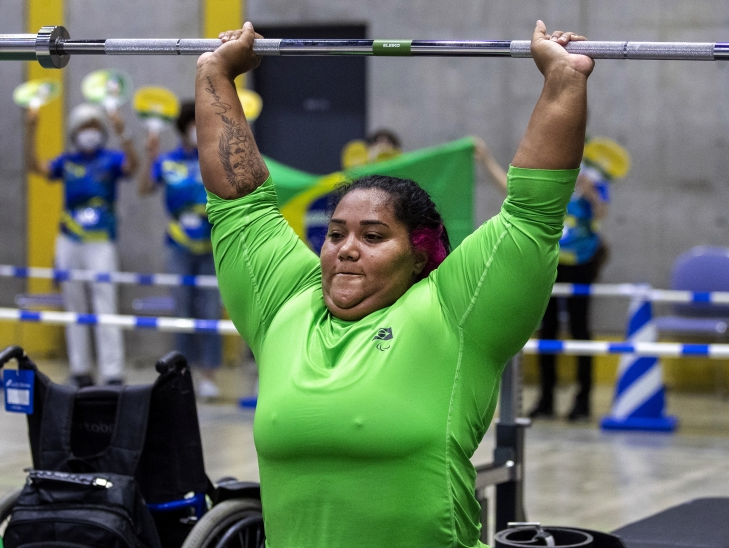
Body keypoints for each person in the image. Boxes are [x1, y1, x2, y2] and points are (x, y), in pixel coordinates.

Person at [197, 20, 593, 548]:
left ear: (419, 255)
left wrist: (562, 79)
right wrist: (215, 72)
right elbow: (238, 199)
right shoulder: (283, 304)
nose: (346, 247)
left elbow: (531, 211)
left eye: (374, 235)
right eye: (335, 233)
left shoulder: (454, 314)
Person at [475, 137, 610, 421]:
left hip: (581, 265)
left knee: (580, 330)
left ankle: (582, 400)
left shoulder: (594, 178)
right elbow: (512, 191)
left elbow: (601, 214)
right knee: (546, 330)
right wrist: (486, 160)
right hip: (547, 262)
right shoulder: (549, 178)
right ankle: (546, 399)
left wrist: (591, 195)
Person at [26, 103, 139, 387]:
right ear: (75, 133)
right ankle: (80, 370)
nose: (89, 134)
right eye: (84, 128)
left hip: (100, 241)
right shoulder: (68, 162)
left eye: (94, 128)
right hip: (69, 240)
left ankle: (112, 372)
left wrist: (122, 131)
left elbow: (133, 166)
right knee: (74, 306)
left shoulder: (111, 160)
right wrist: (31, 127)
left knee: (106, 305)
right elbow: (34, 166)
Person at [138, 101, 222, 398]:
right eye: (192, 123)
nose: (197, 129)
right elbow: (145, 188)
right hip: (177, 244)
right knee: (183, 310)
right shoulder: (169, 161)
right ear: (184, 128)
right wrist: (150, 157)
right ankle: (182, 373)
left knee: (210, 310)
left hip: (212, 243)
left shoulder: (215, 157)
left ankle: (209, 376)